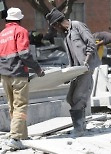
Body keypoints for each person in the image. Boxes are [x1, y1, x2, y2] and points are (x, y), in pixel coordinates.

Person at [46, 8, 101, 137]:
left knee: (79, 97)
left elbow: (91, 43)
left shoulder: (77, 26)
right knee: (71, 98)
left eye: (54, 27)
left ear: (57, 24)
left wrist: (86, 61)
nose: (55, 30)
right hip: (76, 70)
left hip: (85, 68)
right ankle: (81, 126)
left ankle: (79, 129)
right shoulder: (66, 34)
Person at [0, 7, 45, 149]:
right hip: (18, 74)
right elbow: (24, 54)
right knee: (20, 106)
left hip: (5, 75)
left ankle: (22, 135)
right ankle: (15, 138)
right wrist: (38, 69)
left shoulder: (2, 34)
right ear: (19, 19)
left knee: (13, 106)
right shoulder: (21, 31)